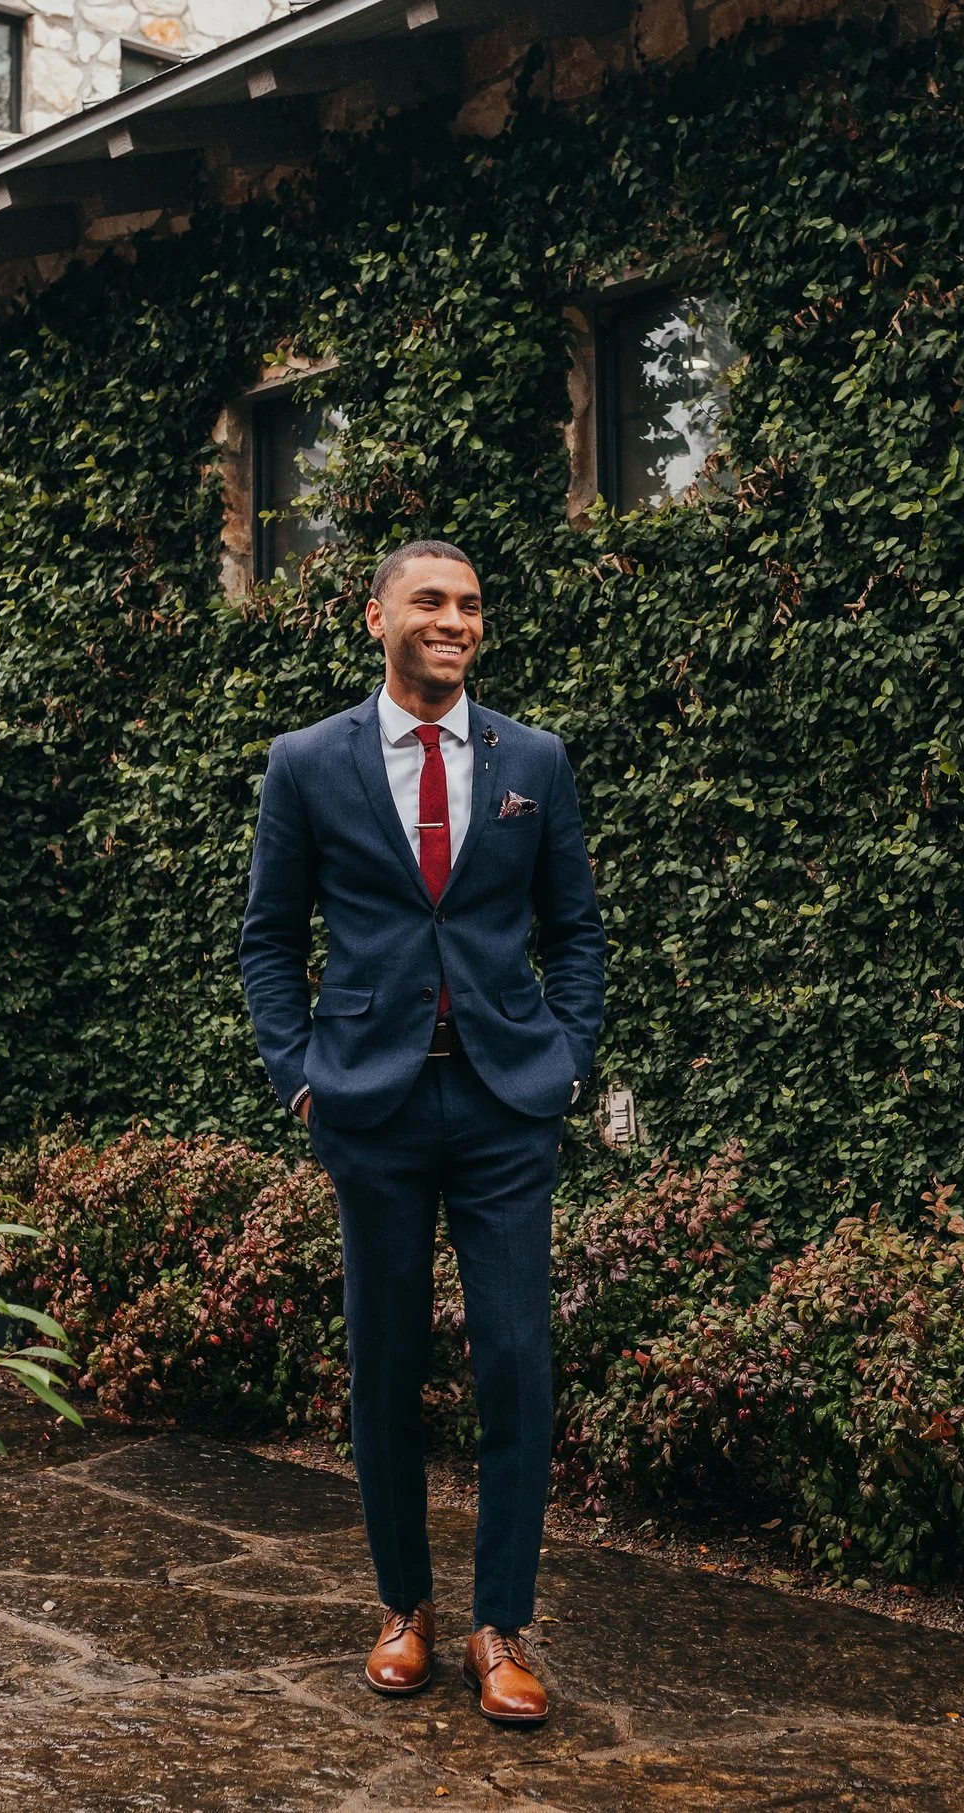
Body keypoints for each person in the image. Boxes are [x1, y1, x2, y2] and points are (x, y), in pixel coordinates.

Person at [239, 539, 606, 1724]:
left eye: (470, 606)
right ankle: (406, 1605)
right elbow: (266, 937)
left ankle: (502, 1623)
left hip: (505, 1106)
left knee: (512, 1361)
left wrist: (563, 1061)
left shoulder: (533, 760)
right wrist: (302, 1077)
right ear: (376, 618)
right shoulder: (307, 764)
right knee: (383, 1365)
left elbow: (577, 933)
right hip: (373, 1105)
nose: (454, 621)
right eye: (430, 602)